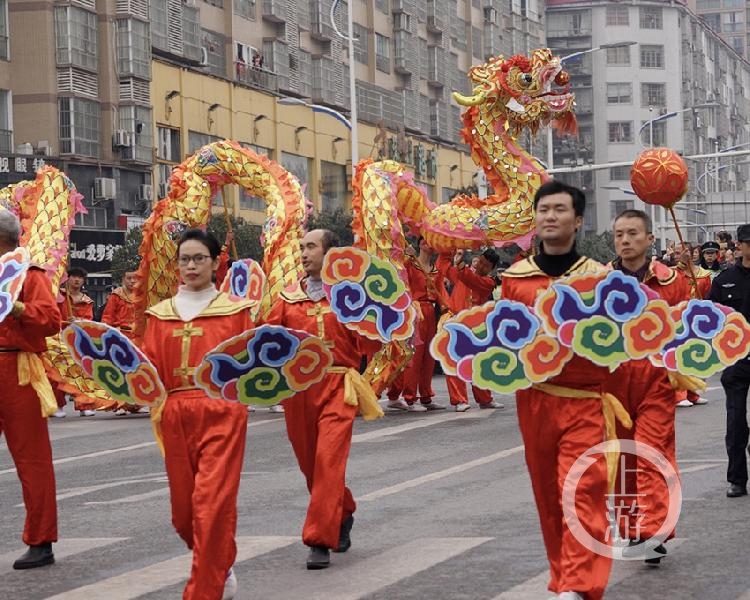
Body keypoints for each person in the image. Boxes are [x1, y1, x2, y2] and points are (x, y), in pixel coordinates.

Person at [501, 180, 622, 600]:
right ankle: (564, 578)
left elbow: (618, 341)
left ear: (578, 220)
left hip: (586, 400)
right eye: (543, 210)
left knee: (582, 489)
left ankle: (579, 585)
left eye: (559, 210)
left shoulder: (598, 278)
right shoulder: (514, 279)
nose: (550, 216)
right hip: (534, 401)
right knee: (549, 496)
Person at [141, 229, 258, 599]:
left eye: (198, 259)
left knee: (211, 504)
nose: (190, 266)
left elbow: (251, 366)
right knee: (183, 513)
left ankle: (203, 590)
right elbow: (147, 371)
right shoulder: (159, 315)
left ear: (215, 262)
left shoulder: (236, 312)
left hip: (222, 409)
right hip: (174, 412)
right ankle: (220, 561)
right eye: (184, 260)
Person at [264, 229, 383, 570]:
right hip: (298, 390)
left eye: (311, 247)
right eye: (301, 247)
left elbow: (371, 341)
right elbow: (268, 342)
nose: (303, 253)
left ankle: (319, 540)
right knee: (311, 467)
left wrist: (384, 316)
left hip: (337, 386)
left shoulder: (349, 297)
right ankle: (342, 511)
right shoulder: (287, 299)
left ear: (330, 253)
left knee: (329, 461)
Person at [605, 209, 690, 564]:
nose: (625, 240)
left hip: (655, 379)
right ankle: (632, 526)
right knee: (621, 458)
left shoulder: (672, 282)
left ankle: (652, 529)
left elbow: (687, 330)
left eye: (632, 233)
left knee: (652, 453)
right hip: (613, 382)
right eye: (619, 234)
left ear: (650, 239)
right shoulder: (599, 283)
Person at [0, 212, 61, 569]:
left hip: (18, 367)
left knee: (32, 460)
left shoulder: (29, 275)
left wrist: (16, 306)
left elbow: (51, 320)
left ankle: (41, 540)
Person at [709, 223, 750, 498]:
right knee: (735, 424)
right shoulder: (724, 280)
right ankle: (736, 479)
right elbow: (712, 318)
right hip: (737, 360)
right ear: (740, 245)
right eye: (748, 242)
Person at [436, 248, 504, 411]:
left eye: (485, 264)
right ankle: (459, 400)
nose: (480, 265)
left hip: (474, 326)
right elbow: (442, 266)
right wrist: (448, 247)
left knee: (478, 363)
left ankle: (485, 399)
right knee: (453, 361)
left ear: (491, 269)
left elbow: (471, 279)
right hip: (455, 322)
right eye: (479, 261)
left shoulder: (488, 283)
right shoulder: (463, 273)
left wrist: (459, 265)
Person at [386, 238, 447, 412]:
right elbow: (399, 276)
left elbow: (441, 291)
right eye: (427, 242)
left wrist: (447, 310)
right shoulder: (410, 264)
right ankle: (409, 397)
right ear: (420, 244)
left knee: (429, 355)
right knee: (414, 354)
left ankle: (426, 396)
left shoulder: (436, 270)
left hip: (431, 311)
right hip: (415, 310)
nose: (431, 245)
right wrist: (406, 256)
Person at [101, 270, 148, 416]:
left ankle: (139, 404)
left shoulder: (142, 294)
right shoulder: (116, 295)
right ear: (123, 279)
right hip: (121, 336)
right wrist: (106, 334)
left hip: (138, 336)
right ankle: (121, 405)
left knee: (139, 370)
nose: (132, 281)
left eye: (135, 278)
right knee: (120, 371)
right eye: (129, 278)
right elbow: (108, 316)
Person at [53, 266, 96, 417]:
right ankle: (57, 405)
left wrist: (77, 320)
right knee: (59, 372)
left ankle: (84, 405)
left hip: (79, 339)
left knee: (82, 372)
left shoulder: (87, 301)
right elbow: (53, 315)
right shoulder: (60, 296)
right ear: (68, 278)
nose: (77, 279)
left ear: (83, 281)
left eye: (80, 277)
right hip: (60, 337)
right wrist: (65, 322)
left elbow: (89, 321)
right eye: (74, 276)